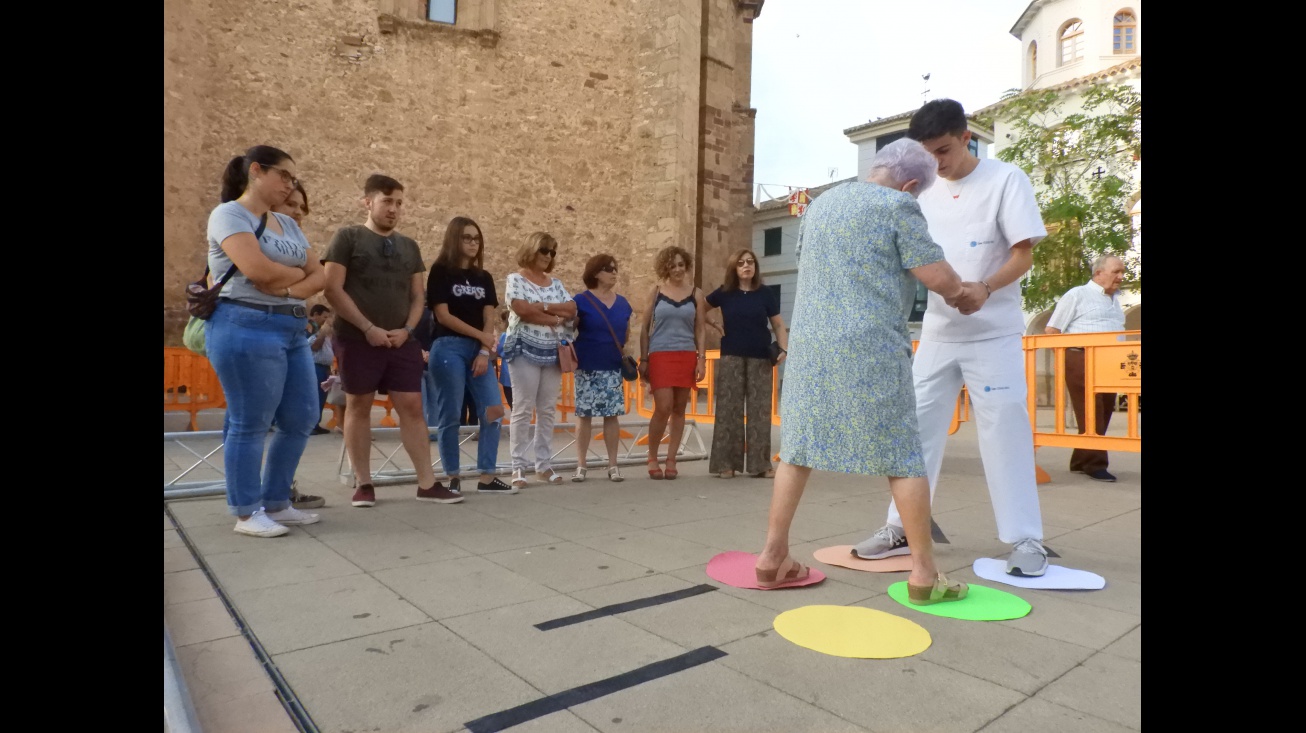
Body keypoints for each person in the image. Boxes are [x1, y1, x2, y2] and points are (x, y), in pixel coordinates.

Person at [755, 138, 985, 601]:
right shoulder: (898, 206)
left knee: (798, 449)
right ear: (913, 184)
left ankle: (772, 556)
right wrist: (966, 292)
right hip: (869, 345)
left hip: (812, 343)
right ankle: (924, 573)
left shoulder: (821, 205)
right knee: (902, 455)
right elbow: (936, 277)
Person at [854, 99, 1052, 577]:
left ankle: (1026, 538)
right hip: (939, 332)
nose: (935, 164)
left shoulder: (1006, 179)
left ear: (967, 138)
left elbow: (1024, 254)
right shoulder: (919, 190)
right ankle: (900, 526)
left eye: (943, 151)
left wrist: (985, 287)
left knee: (1004, 426)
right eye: (926, 155)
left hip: (994, 331)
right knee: (915, 428)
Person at [204, 145, 326, 537]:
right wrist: (294, 277)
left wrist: (289, 289)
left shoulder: (287, 224)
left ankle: (277, 500)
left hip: (290, 327)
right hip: (245, 322)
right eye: (285, 176)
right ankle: (246, 510)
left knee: (303, 415)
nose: (290, 185)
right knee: (250, 420)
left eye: (293, 179)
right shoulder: (229, 215)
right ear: (257, 171)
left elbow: (319, 275)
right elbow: (257, 272)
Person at [323, 174, 463, 507]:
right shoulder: (348, 238)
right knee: (359, 405)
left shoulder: (409, 246)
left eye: (399, 202)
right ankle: (364, 483)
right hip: (357, 338)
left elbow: (418, 296)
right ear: (368, 202)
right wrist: (367, 327)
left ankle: (427, 484)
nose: (394, 209)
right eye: (387, 201)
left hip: (402, 340)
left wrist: (408, 329)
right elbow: (332, 288)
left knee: (413, 407)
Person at [425, 216, 516, 495]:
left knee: (493, 410)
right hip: (448, 346)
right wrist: (481, 338)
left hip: (479, 349)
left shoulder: (483, 277)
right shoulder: (441, 271)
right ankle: (452, 476)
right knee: (450, 413)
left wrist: (483, 350)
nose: (473, 243)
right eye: (466, 237)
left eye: (476, 238)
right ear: (454, 239)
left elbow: (488, 316)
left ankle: (487, 476)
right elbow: (443, 315)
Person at [703, 249, 788, 479]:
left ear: (755, 267)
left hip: (760, 357)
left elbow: (778, 325)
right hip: (731, 356)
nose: (746, 266)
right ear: (734, 268)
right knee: (728, 411)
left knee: (760, 412)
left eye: (750, 262)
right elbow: (699, 308)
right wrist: (713, 324)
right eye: (741, 263)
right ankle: (726, 464)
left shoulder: (765, 293)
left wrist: (783, 349)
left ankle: (760, 464)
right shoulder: (724, 293)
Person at [502, 232, 577, 489]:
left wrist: (542, 307)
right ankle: (517, 467)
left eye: (552, 252)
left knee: (546, 409)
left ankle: (543, 465)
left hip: (552, 350)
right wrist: (555, 317)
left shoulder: (555, 283)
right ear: (531, 249)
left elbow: (571, 309)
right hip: (524, 349)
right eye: (544, 250)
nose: (548, 256)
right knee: (522, 408)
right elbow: (521, 309)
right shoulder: (515, 279)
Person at [1044, 255, 1127, 482]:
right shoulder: (1077, 295)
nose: (1121, 277)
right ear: (1098, 273)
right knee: (1091, 409)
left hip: (1110, 361)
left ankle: (1080, 459)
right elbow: (1052, 331)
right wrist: (1067, 362)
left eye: (1123, 272)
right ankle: (1095, 464)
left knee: (1106, 409)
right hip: (1081, 357)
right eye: (1116, 272)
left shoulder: (1114, 300)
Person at [637, 246, 707, 480]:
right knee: (663, 407)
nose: (677, 269)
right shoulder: (656, 292)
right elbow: (645, 328)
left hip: (686, 354)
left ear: (686, 266)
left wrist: (701, 359)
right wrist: (644, 358)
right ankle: (652, 457)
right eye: (673, 265)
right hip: (660, 354)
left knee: (679, 409)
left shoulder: (696, 293)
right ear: (665, 267)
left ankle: (671, 459)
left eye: (681, 264)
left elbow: (700, 329)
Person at [570, 254, 634, 482]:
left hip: (612, 364)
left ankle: (613, 465)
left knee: (612, 415)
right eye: (609, 269)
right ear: (596, 273)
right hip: (587, 364)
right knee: (584, 414)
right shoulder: (580, 300)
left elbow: (625, 334)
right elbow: (571, 329)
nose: (614, 272)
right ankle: (581, 465)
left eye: (615, 269)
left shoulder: (624, 303)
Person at [495, 309, 513, 410]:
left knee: (513, 406)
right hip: (519, 377)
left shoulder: (504, 336)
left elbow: (498, 351)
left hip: (507, 377)